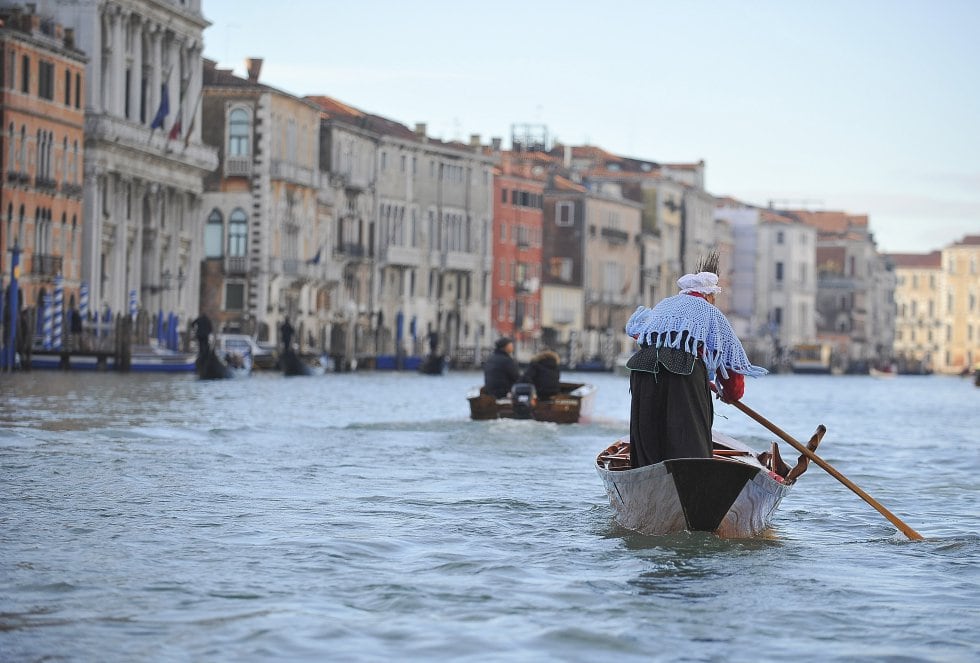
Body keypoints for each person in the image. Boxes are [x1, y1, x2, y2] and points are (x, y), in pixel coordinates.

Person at [625, 252, 766, 468]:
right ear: (709, 296)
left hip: (643, 369)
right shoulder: (711, 313)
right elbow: (729, 362)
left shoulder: (664, 305)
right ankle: (693, 475)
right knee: (688, 440)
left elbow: (644, 335)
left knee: (648, 437)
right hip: (683, 376)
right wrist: (730, 394)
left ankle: (645, 472)